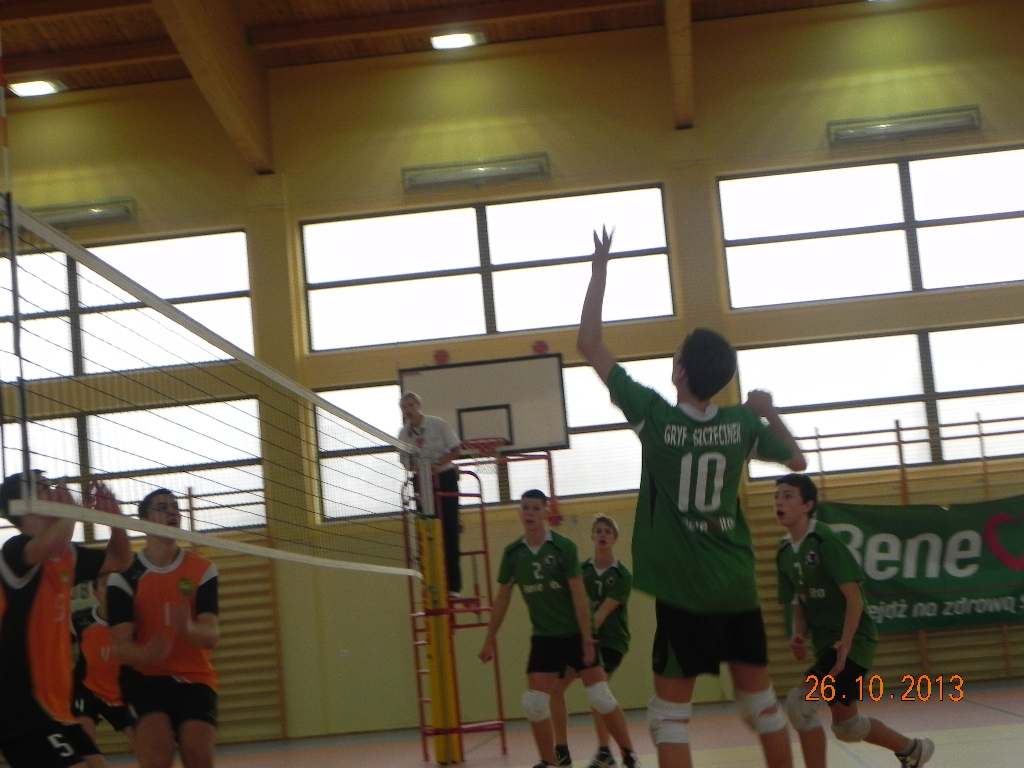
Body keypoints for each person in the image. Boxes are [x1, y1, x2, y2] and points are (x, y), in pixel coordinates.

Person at [577, 226, 806, 768]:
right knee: (762, 707)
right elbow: (797, 462)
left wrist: (600, 269)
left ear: (680, 372)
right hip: (737, 585)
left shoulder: (655, 418)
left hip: (684, 592)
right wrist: (767, 410)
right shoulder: (742, 424)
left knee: (669, 718)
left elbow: (589, 344)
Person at [774, 473, 934, 768]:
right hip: (827, 644)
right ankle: (913, 749)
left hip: (851, 641)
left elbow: (854, 598)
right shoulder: (784, 553)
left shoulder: (825, 540)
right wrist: (799, 635)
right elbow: (799, 603)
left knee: (800, 706)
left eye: (787, 496)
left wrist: (845, 644)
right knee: (848, 727)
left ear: (808, 505)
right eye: (776, 496)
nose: (779, 502)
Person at [478, 490, 641, 768]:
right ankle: (550, 760)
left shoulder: (563, 547)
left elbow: (578, 595)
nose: (529, 513)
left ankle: (628, 754)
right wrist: (489, 638)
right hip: (545, 638)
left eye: (535, 508)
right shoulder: (513, 553)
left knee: (600, 696)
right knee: (534, 703)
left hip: (575, 634)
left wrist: (587, 637)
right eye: (525, 508)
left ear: (545, 512)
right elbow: (502, 598)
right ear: (520, 512)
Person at [0, 470, 132, 768]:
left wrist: (116, 521)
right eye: (43, 487)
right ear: (24, 503)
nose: (53, 491)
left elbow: (121, 559)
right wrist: (71, 511)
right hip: (21, 709)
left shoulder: (66, 556)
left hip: (57, 707)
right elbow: (52, 544)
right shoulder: (14, 550)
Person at [108, 489, 220, 768]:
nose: (172, 512)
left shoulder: (202, 569)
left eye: (174, 507)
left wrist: (188, 629)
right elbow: (121, 648)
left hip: (194, 676)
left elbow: (211, 635)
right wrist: (148, 654)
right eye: (162, 507)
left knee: (197, 751)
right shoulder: (124, 578)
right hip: (145, 679)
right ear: (144, 520)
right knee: (158, 753)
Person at [550, 515, 633, 768]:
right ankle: (561, 751)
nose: (603, 535)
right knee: (555, 688)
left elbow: (600, 614)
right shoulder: (581, 570)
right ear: (592, 537)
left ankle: (606, 751)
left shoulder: (622, 575)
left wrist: (583, 636)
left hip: (610, 642)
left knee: (598, 692)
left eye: (608, 531)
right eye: (599, 531)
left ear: (615, 538)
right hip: (582, 640)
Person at [399, 392, 464, 596]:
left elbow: (456, 449)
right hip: (422, 481)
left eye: (411, 405)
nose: (408, 409)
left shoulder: (437, 424)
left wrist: (437, 464)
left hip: (445, 478)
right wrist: (420, 468)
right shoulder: (404, 434)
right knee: (427, 530)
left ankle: (453, 586)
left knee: (449, 531)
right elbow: (405, 461)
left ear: (419, 406)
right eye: (404, 406)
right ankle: (432, 583)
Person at [72, 574, 136, 753]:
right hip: (86, 689)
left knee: (144, 747)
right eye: (106, 585)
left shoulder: (133, 623)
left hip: (120, 693)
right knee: (86, 747)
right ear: (96, 593)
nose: (111, 589)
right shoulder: (80, 620)